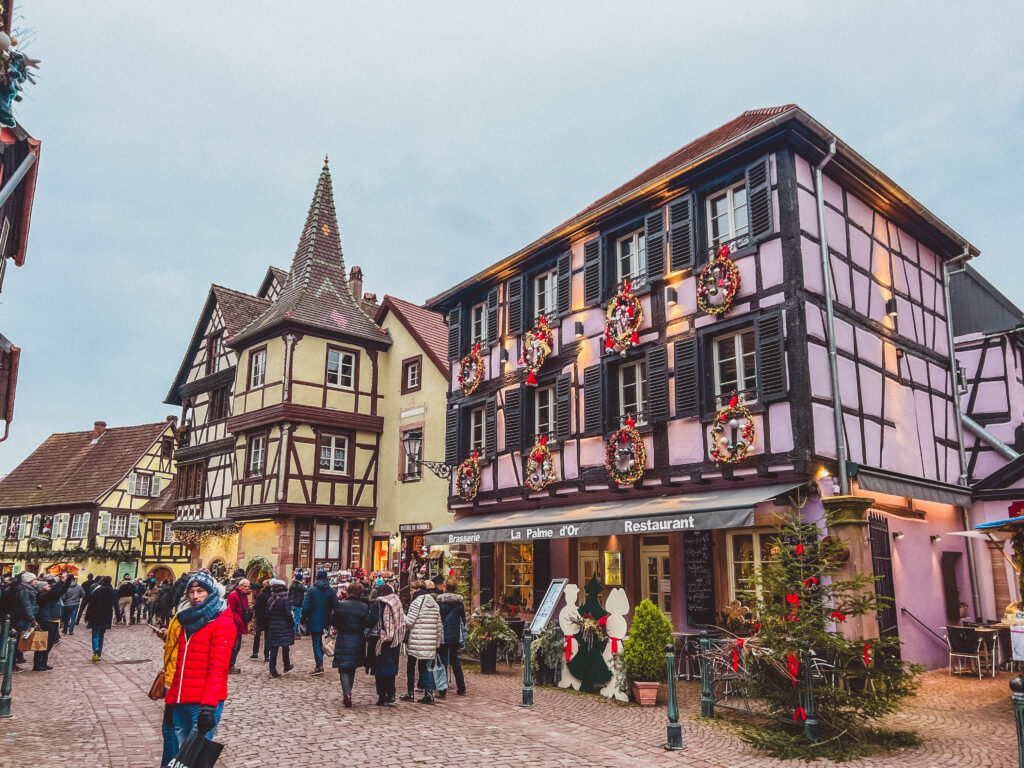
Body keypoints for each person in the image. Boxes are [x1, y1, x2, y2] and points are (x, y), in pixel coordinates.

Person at [165, 570, 235, 746]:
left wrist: (209, 707)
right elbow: (181, 664)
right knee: (176, 759)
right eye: (191, 592)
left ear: (210, 593)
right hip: (180, 701)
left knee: (192, 759)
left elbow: (218, 669)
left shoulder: (221, 622)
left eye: (200, 592)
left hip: (202, 704)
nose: (195, 596)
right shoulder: (186, 621)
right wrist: (171, 700)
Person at [329, 581, 369, 707]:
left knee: (343, 668)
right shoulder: (364, 607)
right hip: (358, 639)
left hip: (343, 638)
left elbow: (333, 621)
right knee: (352, 667)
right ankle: (348, 692)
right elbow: (366, 623)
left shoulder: (341, 605)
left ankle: (347, 693)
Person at [368, 583, 404, 706]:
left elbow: (371, 619)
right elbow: (401, 619)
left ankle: (382, 695)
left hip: (381, 639)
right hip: (394, 638)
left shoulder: (378, 603)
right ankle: (391, 692)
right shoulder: (396, 602)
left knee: (380, 668)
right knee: (391, 667)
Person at [300, 568, 338, 676]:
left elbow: (306, 606)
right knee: (324, 641)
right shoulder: (331, 591)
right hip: (326, 620)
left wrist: (304, 618)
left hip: (314, 619)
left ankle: (319, 665)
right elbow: (336, 606)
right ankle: (320, 662)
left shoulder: (312, 590)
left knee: (316, 643)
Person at [436, 575, 467, 697]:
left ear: (446, 587)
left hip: (444, 634)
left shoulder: (440, 601)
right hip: (455, 634)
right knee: (455, 661)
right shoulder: (459, 603)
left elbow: (438, 618)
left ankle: (442, 690)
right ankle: (461, 687)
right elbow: (463, 620)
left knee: (443, 662)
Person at [32, 573, 70, 671]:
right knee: (43, 643)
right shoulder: (42, 596)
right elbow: (53, 592)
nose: (48, 586)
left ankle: (44, 662)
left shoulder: (52, 595)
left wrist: (68, 581)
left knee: (49, 643)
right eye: (46, 585)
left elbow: (62, 591)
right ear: (41, 588)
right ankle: (37, 664)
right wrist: (61, 581)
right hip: (45, 620)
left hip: (54, 620)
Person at [6, 571, 38, 671]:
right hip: (21, 618)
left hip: (20, 617)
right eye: (34, 579)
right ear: (30, 580)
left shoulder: (23, 588)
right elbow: (26, 605)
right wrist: (32, 619)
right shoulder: (24, 590)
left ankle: (13, 663)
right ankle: (11, 665)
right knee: (16, 642)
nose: (35, 581)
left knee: (17, 641)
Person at [266, 578, 295, 677]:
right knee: (285, 646)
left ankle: (272, 670)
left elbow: (268, 615)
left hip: (273, 628)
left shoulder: (270, 600)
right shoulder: (285, 599)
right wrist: (292, 623)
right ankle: (286, 665)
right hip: (284, 627)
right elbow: (288, 614)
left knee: (274, 649)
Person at [85, 575, 116, 661]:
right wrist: (118, 616)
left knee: (95, 634)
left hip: (96, 615)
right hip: (106, 616)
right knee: (101, 635)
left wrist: (87, 616)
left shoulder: (97, 591)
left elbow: (91, 604)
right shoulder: (113, 592)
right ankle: (99, 654)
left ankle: (96, 649)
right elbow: (115, 604)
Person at [226, 578, 250, 674]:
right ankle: (229, 666)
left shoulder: (244, 595)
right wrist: (238, 620)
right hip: (234, 624)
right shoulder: (233, 595)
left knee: (237, 645)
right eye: (245, 586)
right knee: (234, 646)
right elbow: (232, 609)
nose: (247, 588)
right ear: (240, 586)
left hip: (240, 624)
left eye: (248, 586)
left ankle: (231, 664)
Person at [250, 580, 270, 661]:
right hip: (268, 618)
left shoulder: (261, 595)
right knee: (267, 637)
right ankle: (266, 655)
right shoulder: (271, 595)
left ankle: (255, 653)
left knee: (257, 636)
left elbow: (256, 606)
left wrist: (254, 616)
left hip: (260, 618)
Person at [288, 571, 306, 637]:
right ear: (301, 579)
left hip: (291, 604)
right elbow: (306, 590)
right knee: (296, 619)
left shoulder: (291, 585)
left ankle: (291, 632)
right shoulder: (300, 585)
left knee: (291, 619)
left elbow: (289, 594)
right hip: (297, 604)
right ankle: (294, 633)